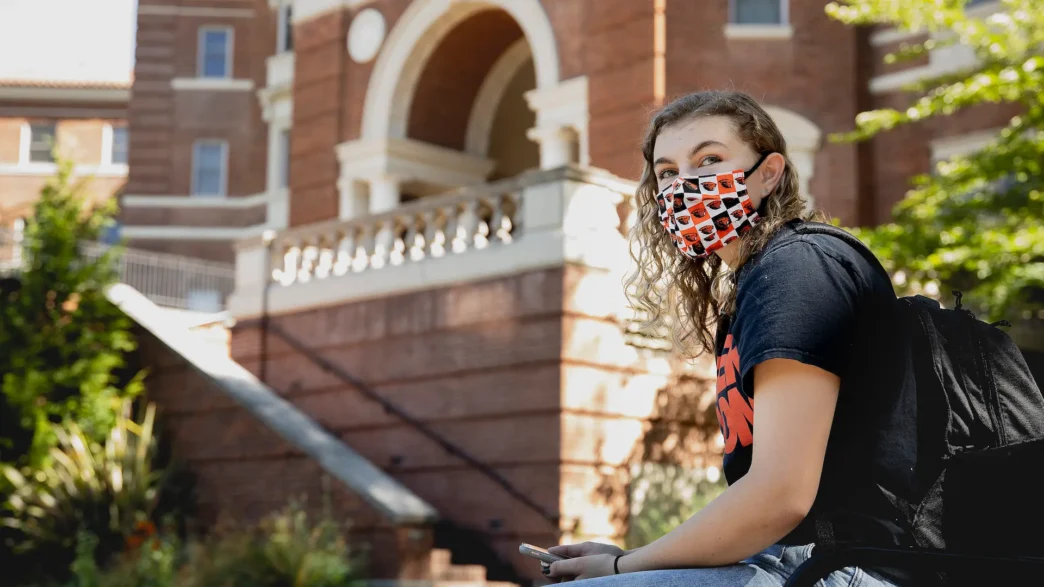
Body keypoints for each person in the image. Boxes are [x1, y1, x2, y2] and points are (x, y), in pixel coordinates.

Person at [543, 91, 903, 586]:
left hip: (852, 568)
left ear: (768, 173)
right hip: (803, 561)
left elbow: (782, 495)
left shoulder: (796, 270)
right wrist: (633, 561)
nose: (684, 185)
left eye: (708, 160)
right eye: (667, 172)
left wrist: (624, 566)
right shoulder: (755, 284)